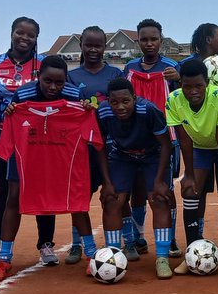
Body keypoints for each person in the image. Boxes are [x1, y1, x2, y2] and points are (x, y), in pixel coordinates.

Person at [0, 56, 91, 281]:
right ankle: (4, 260)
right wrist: (11, 112)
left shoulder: (75, 96)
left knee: (77, 198)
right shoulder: (23, 95)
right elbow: (10, 121)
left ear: (66, 81)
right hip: (27, 154)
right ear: (38, 77)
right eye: (47, 81)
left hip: (58, 155)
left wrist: (86, 108)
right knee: (13, 198)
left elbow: (86, 123)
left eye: (59, 82)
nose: (53, 87)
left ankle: (91, 256)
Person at [0, 17, 57, 270]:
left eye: (30, 35)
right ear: (11, 34)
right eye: (19, 33)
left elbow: (62, 94)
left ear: (37, 38)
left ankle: (46, 244)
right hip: (3, 133)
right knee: (3, 191)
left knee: (42, 187)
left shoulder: (45, 65)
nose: (24, 39)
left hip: (38, 138)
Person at [96, 78, 175, 279]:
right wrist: (107, 182)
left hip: (152, 154)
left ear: (134, 98)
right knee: (112, 200)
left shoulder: (149, 110)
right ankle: (112, 255)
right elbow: (100, 146)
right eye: (114, 102)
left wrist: (159, 181)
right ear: (108, 101)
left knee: (159, 198)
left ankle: (162, 258)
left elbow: (166, 145)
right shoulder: (103, 112)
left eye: (125, 101)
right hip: (123, 155)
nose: (120, 107)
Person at [166, 57, 218, 274]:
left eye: (198, 85)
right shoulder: (173, 100)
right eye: (187, 86)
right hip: (198, 147)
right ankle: (191, 254)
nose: (193, 91)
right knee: (190, 191)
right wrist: (188, 173)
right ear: (180, 85)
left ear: (207, 83)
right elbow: (183, 138)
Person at [66, 25, 127, 262]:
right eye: (88, 45)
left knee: (117, 194)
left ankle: (128, 242)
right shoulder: (72, 77)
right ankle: (77, 244)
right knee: (80, 196)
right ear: (81, 45)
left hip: (111, 144)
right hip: (83, 147)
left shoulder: (114, 74)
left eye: (98, 45)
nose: (93, 50)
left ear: (105, 46)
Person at [123, 18, 183, 259]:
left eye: (154, 39)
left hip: (166, 138)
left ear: (161, 40)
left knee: (165, 190)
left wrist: (177, 78)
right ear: (138, 41)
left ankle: (169, 238)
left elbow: (186, 95)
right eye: (144, 40)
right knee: (137, 189)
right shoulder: (129, 69)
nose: (149, 44)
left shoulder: (171, 68)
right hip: (136, 138)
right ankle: (138, 237)